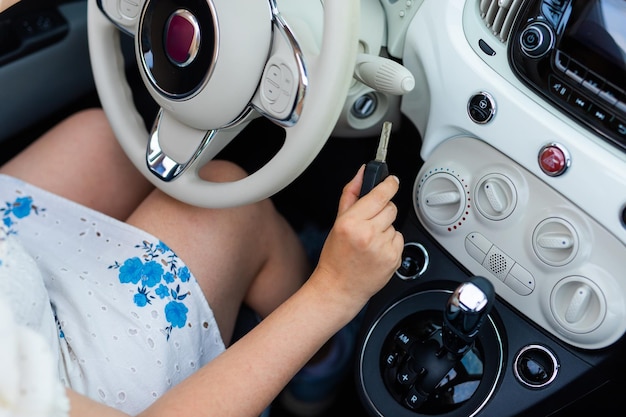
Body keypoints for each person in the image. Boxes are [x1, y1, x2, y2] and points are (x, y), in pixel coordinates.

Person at [0, 107, 404, 417]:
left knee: (102, 142)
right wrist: (334, 289)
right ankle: (322, 359)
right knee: (227, 200)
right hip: (71, 385)